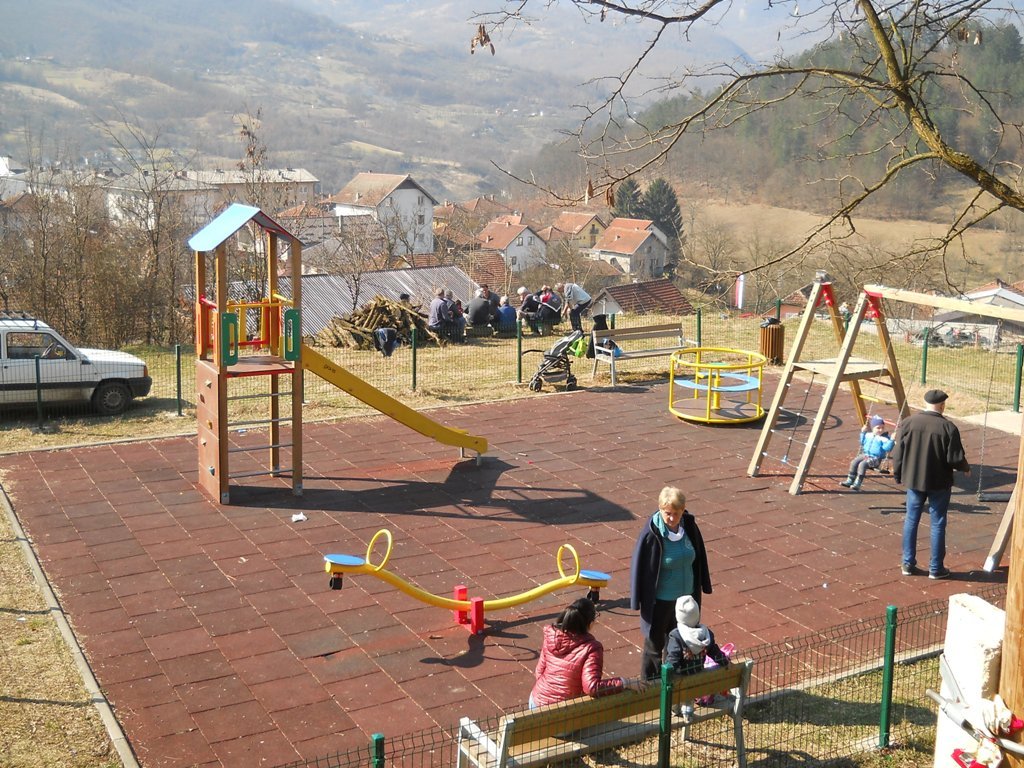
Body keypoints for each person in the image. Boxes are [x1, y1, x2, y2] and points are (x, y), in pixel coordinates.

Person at [630, 486, 712, 680]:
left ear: (683, 511)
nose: (672, 518)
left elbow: (699, 555)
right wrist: (637, 599)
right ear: (660, 509)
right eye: (667, 513)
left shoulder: (689, 526)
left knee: (679, 643)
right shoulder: (652, 533)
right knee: (655, 645)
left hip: (686, 600)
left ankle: (672, 681)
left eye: (676, 513)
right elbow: (640, 567)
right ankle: (649, 684)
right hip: (661, 600)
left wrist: (704, 584)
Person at [891, 389, 971, 580]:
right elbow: (954, 458)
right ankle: (936, 568)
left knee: (911, 519)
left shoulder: (908, 423)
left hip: (914, 480)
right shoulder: (948, 427)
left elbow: (898, 452)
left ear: (925, 403)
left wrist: (898, 473)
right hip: (939, 482)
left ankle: (907, 563)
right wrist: (965, 467)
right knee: (938, 523)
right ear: (942, 406)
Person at [529, 597, 643, 707]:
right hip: (561, 710)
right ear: (590, 623)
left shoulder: (551, 636)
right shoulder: (591, 648)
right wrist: (625, 682)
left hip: (536, 701)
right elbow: (592, 687)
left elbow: (539, 671)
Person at [666, 595, 731, 717]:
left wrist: (666, 674)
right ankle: (688, 707)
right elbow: (715, 652)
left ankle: (676, 709)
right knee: (689, 690)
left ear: (678, 616)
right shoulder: (706, 634)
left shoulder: (676, 636)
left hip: (681, 680)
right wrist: (725, 661)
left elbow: (672, 661)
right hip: (698, 677)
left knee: (676, 692)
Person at [840, 415, 895, 491]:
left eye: (882, 428)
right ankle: (850, 480)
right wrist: (863, 432)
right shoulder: (868, 435)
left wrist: (891, 440)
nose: (880, 430)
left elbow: (887, 448)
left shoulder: (884, 438)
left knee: (862, 464)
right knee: (854, 462)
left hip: (876, 459)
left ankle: (858, 483)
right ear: (872, 428)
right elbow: (862, 442)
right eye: (878, 428)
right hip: (866, 455)